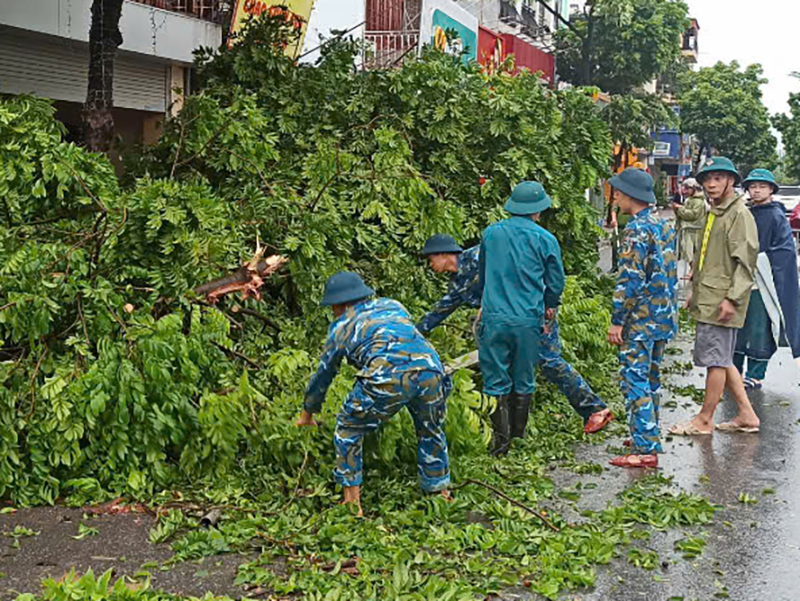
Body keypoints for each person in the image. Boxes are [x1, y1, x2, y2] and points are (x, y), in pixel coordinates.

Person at [418, 234, 612, 436]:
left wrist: (544, 305)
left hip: (534, 310)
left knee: (548, 360)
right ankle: (513, 435)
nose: (430, 265)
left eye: (431, 259)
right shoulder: (458, 282)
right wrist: (415, 332)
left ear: (443, 254)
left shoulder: (481, 255)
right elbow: (441, 310)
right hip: (509, 322)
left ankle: (595, 409)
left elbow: (522, 271)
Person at [296, 272, 451, 514]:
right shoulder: (392, 304)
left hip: (387, 375)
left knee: (348, 427)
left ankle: (351, 502)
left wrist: (307, 414)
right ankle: (440, 492)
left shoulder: (340, 327)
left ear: (338, 304)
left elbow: (324, 375)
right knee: (430, 428)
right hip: (431, 369)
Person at [670, 157, 760, 436]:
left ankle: (705, 419)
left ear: (731, 181)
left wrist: (731, 299)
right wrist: (694, 292)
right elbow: (708, 256)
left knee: (715, 360)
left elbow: (746, 263)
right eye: (707, 178)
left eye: (718, 178)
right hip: (709, 297)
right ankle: (746, 414)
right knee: (722, 357)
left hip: (722, 300)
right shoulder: (716, 211)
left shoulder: (738, 214)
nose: (710, 184)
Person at [478, 181, 566, 455]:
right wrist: (550, 305)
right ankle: (518, 439)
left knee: (494, 380)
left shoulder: (491, 234)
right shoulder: (545, 239)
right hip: (528, 319)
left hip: (493, 317)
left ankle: (499, 446)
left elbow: (482, 272)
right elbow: (556, 282)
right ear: (537, 210)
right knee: (523, 379)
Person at [606, 168, 678, 468]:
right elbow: (670, 273)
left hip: (640, 319)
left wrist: (617, 319)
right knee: (651, 377)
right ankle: (645, 431)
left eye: (619, 192)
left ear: (632, 195)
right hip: (662, 316)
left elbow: (630, 280)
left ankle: (645, 449)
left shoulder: (636, 229)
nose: (616, 196)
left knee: (634, 378)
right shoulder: (663, 225)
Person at [733, 169, 800, 388]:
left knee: (759, 328)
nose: (757, 190)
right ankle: (733, 372)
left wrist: (759, 259)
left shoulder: (776, 215)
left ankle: (755, 374)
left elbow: (785, 252)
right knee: (738, 327)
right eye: (753, 186)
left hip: (763, 282)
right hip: (742, 280)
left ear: (771, 189)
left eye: (762, 186)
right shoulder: (746, 212)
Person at [672, 178, 707, 271]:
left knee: (692, 253)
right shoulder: (689, 200)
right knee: (687, 252)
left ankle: (694, 271)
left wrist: (679, 209)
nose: (685, 191)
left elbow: (692, 215)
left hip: (695, 230)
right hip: (688, 229)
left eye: (688, 188)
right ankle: (693, 270)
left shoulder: (698, 201)